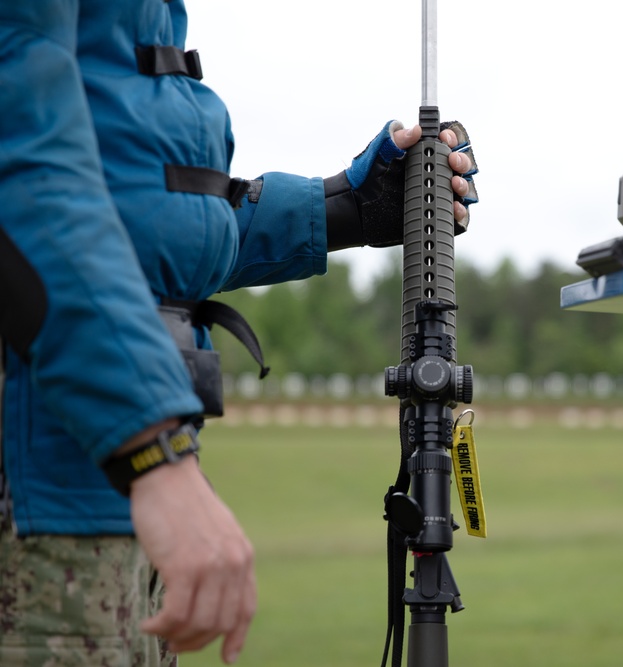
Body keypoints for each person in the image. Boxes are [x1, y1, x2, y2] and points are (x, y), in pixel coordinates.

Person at [0, 2, 477, 666]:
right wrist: (152, 455)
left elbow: (152, 227)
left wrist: (344, 207)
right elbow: (22, 185)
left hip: (109, 474)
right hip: (46, 473)